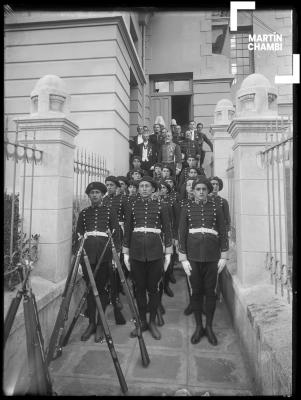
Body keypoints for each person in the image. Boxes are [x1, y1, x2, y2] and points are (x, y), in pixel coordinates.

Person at [178, 177, 229, 346]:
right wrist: (183, 257)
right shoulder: (186, 207)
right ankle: (199, 326)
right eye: (198, 189)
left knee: (210, 292)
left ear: (208, 191)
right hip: (192, 256)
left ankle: (209, 327)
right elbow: (182, 233)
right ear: (193, 191)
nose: (201, 192)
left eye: (204, 189)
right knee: (196, 291)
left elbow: (222, 230)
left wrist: (224, 255)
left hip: (212, 256)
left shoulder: (216, 207)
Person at [122, 176, 173, 340]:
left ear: (153, 189)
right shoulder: (132, 205)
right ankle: (142, 321)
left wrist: (168, 253)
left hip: (155, 252)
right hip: (136, 252)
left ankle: (152, 322)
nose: (143, 188)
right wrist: (125, 252)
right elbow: (128, 229)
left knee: (154, 289)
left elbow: (167, 229)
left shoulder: (162, 206)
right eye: (141, 186)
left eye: (147, 186)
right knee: (139, 289)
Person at [76, 182, 120, 342]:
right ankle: (91, 324)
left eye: (97, 193)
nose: (94, 195)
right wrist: (79, 261)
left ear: (102, 195)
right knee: (89, 290)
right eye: (91, 193)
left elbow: (116, 234)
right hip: (88, 257)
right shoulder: (84, 213)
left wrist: (116, 257)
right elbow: (79, 236)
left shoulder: (110, 211)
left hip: (104, 256)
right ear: (89, 196)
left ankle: (101, 324)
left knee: (101, 290)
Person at [103, 176, 128, 325]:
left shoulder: (123, 200)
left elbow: (128, 219)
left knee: (117, 269)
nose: (109, 187)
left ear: (118, 187)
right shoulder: (104, 200)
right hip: (106, 236)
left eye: (112, 185)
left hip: (119, 233)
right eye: (107, 185)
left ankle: (116, 296)